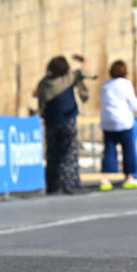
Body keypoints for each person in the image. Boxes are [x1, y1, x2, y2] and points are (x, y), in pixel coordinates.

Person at [35, 54, 94, 194]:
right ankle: (70, 183)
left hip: (51, 122)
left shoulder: (44, 84)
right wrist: (85, 60)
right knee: (69, 153)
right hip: (68, 121)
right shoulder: (68, 79)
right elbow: (82, 72)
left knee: (52, 155)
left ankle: (53, 185)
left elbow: (40, 101)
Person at [98, 60, 137, 190]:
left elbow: (100, 101)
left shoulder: (105, 85)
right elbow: (133, 103)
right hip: (123, 121)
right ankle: (129, 177)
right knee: (128, 149)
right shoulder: (126, 84)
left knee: (108, 150)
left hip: (108, 122)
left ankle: (105, 178)